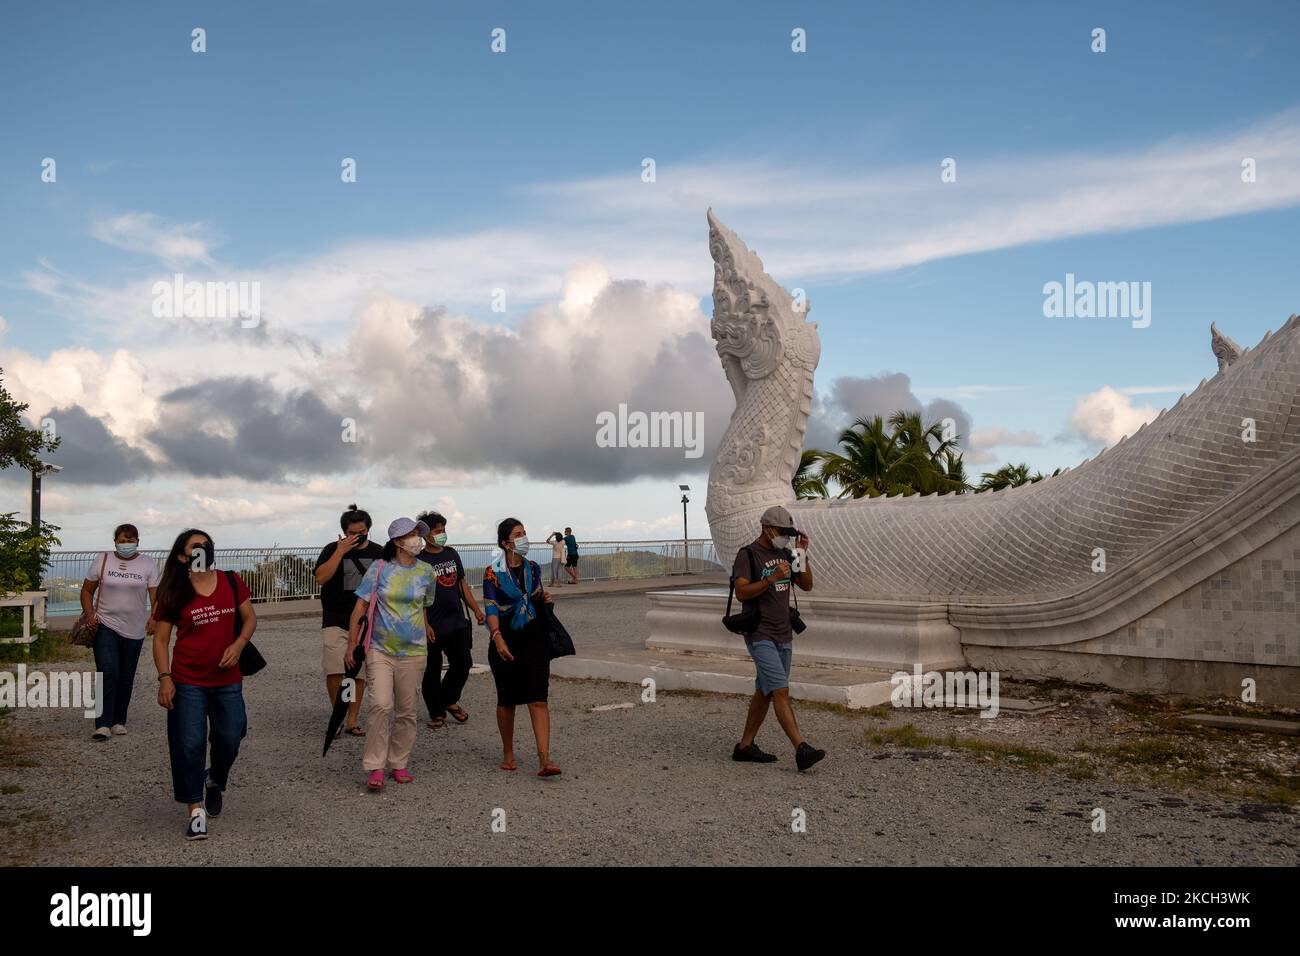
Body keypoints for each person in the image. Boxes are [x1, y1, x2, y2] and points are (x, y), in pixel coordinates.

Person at [152, 529, 256, 840]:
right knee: (188, 744)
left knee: (231, 735)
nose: (203, 549)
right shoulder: (174, 591)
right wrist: (165, 678)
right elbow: (160, 639)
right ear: (183, 556)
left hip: (227, 680)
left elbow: (250, 619)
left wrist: (238, 645)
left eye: (207, 545)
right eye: (196, 546)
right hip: (188, 680)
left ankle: (215, 779)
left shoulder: (230, 580)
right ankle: (195, 811)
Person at [345, 517, 439, 791]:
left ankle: (399, 763)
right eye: (411, 535)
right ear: (397, 541)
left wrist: (427, 627)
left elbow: (424, 606)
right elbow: (360, 608)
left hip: (414, 651)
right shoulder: (380, 568)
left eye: (418, 534)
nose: (417, 539)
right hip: (380, 649)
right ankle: (375, 766)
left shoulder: (426, 572)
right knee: (380, 705)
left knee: (407, 711)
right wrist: (351, 644)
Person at [730, 505, 825, 772]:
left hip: (784, 632)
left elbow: (806, 584)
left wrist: (801, 553)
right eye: (782, 532)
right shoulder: (748, 554)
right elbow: (742, 592)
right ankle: (801, 748)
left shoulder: (786, 552)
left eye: (788, 533)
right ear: (767, 528)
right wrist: (770, 579)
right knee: (781, 690)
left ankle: (745, 747)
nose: (785, 536)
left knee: (766, 691)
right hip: (760, 633)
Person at [483, 518, 560, 777]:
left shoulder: (533, 568)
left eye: (524, 532)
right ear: (506, 543)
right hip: (505, 638)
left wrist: (544, 597)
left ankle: (545, 759)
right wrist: (496, 636)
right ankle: (508, 753)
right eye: (518, 534)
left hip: (534, 638)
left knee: (538, 698)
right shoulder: (493, 572)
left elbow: (535, 595)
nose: (524, 537)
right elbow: (491, 607)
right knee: (507, 700)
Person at [80, 523, 161, 741]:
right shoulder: (103, 560)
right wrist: (90, 615)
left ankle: (118, 720)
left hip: (135, 627)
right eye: (122, 540)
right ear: (115, 541)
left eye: (131, 540)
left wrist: (154, 617)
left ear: (138, 541)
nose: (127, 544)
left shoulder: (148, 564)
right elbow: (87, 591)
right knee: (107, 671)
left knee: (125, 675)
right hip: (105, 624)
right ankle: (102, 723)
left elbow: (156, 597)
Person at [314, 504, 382, 737]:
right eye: (352, 533)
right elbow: (321, 578)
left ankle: (352, 719)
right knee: (335, 669)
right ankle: (339, 714)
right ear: (344, 532)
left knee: (357, 671)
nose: (357, 536)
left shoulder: (378, 552)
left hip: (365, 621)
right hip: (335, 617)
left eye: (362, 532)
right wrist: (340, 551)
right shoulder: (332, 549)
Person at [416, 510, 485, 729]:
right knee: (431, 671)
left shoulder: (452, 554)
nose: (442, 534)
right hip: (432, 625)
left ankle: (447, 699)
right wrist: (425, 624)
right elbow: (418, 597)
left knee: (463, 662)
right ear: (427, 534)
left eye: (444, 530)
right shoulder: (419, 560)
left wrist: (476, 609)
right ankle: (437, 713)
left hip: (456, 620)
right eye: (438, 531)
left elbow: (461, 585)